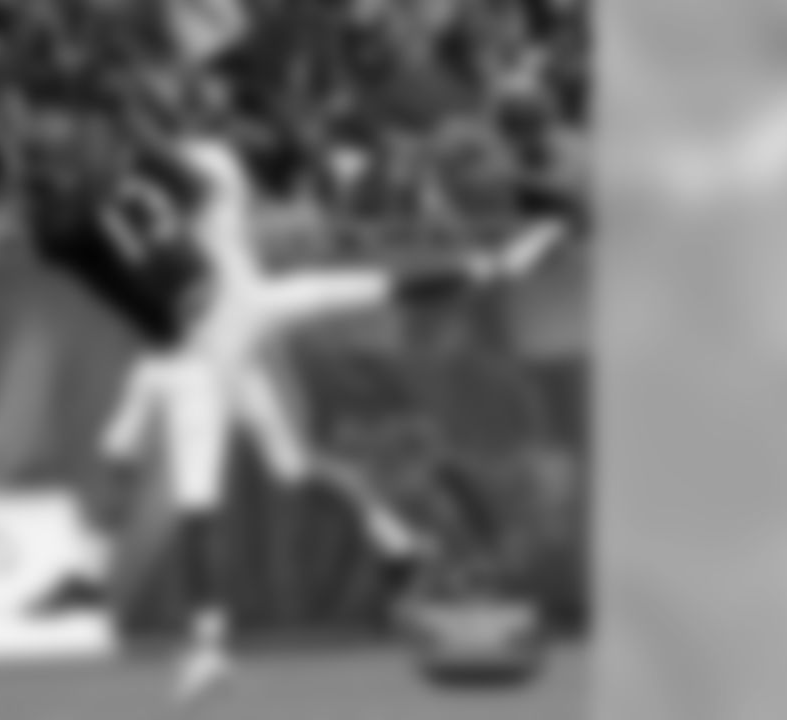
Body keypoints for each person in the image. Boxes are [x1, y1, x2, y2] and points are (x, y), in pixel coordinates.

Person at [95, 133, 566, 700]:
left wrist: (128, 156)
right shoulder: (185, 231)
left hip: (224, 334)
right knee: (266, 474)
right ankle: (391, 541)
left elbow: (385, 288)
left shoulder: (209, 212)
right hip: (214, 344)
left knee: (220, 492)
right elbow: (150, 224)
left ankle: (211, 642)